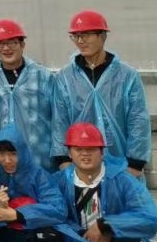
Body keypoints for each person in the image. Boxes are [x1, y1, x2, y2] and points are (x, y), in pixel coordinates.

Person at [50, 10, 151, 177]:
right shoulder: (65, 78)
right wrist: (64, 161)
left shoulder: (127, 76)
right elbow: (60, 122)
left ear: (102, 36)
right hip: (80, 166)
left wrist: (135, 163)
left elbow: (138, 120)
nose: (80, 41)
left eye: (86, 35)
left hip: (122, 164)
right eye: (76, 36)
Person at [0, 19, 55, 172]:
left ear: (22, 44)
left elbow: (58, 119)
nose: (6, 48)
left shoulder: (42, 76)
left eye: (12, 42)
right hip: (2, 159)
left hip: (39, 158)